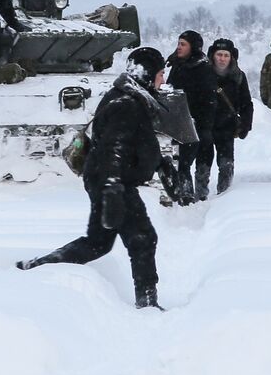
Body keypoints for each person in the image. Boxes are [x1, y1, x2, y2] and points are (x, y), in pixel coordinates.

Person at [17, 47, 168, 309]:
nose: (163, 79)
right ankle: (147, 303)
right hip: (113, 183)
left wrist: (158, 163)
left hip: (108, 180)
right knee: (143, 238)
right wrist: (112, 190)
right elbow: (114, 149)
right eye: (160, 73)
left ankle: (35, 267)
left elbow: (134, 144)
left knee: (98, 242)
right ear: (146, 74)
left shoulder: (129, 97)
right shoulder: (127, 104)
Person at [165, 30, 218, 200]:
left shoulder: (203, 68)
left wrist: (204, 125)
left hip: (198, 122)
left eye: (183, 44)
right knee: (182, 163)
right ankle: (185, 196)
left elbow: (209, 99)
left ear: (193, 47)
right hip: (179, 122)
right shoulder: (177, 65)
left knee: (199, 161)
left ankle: (200, 194)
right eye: (178, 43)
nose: (179, 47)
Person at [207, 38, 254, 194]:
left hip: (227, 126)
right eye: (219, 54)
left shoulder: (238, 76)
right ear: (213, 55)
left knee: (226, 164)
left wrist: (246, 124)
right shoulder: (204, 74)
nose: (222, 58)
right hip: (205, 125)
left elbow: (246, 103)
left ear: (232, 57)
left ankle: (224, 195)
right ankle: (199, 197)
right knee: (203, 164)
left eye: (226, 55)